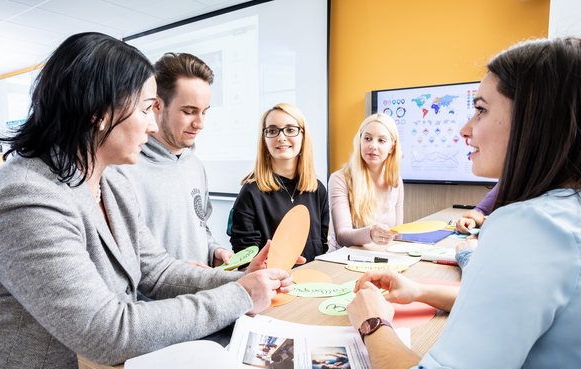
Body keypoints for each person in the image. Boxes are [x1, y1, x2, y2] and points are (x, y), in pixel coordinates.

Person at [0, 32, 292, 369]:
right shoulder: (23, 200)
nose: (153, 126)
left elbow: (155, 270)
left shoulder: (111, 180)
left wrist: (241, 280)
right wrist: (239, 297)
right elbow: (106, 330)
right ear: (99, 112)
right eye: (146, 109)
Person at [347, 37, 581, 369]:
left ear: (533, 121)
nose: (465, 129)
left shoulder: (531, 225)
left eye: (480, 111)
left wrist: (373, 323)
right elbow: (534, 307)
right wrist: (420, 290)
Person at [115, 52, 232, 268]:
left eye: (204, 112)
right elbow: (123, 257)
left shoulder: (195, 165)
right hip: (155, 301)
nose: (200, 123)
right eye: (189, 112)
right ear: (157, 105)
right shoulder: (123, 169)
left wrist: (214, 250)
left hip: (202, 295)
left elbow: (201, 226)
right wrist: (181, 276)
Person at [229, 103, 329, 262]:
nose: (281, 137)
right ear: (264, 139)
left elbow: (322, 244)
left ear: (303, 136)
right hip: (272, 283)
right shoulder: (251, 192)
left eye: (290, 129)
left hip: (312, 281)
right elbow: (246, 255)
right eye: (272, 131)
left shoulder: (318, 189)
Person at [328, 113, 404, 250]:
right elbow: (342, 236)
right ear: (360, 141)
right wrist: (370, 233)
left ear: (392, 147)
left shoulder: (396, 182)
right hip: (343, 262)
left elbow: (397, 235)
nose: (373, 146)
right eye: (368, 138)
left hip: (382, 258)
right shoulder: (339, 179)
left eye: (381, 140)